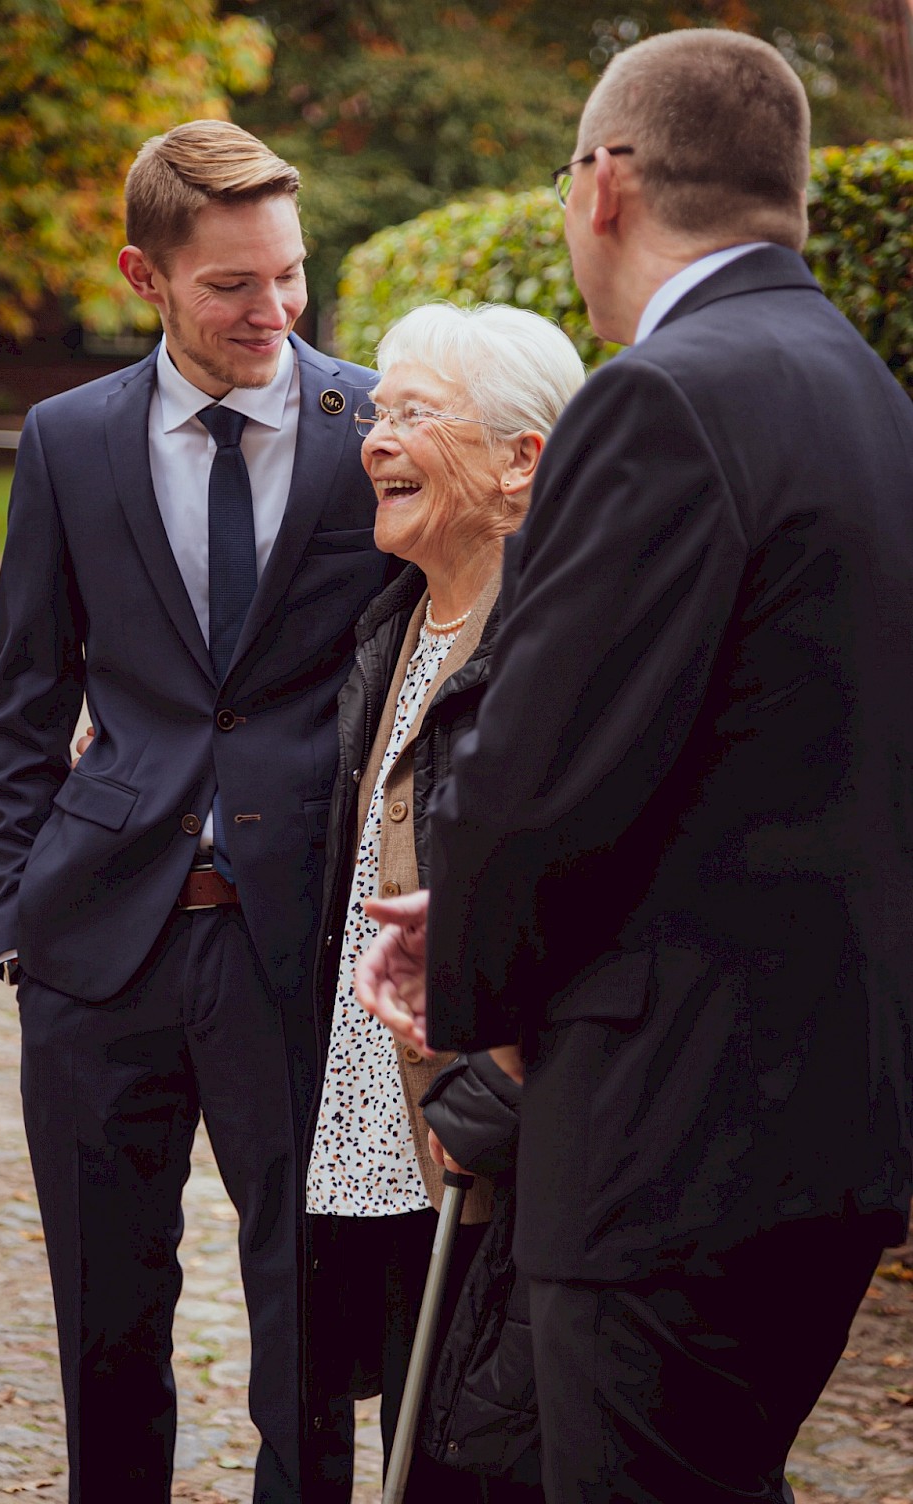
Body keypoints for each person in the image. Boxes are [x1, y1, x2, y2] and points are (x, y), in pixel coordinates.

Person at [356, 28, 913, 1504]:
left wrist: (468, 955)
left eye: (563, 183)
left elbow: (540, 769)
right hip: (832, 1125)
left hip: (666, 1143)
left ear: (605, 186)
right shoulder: (871, 398)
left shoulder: (659, 398)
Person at [0, 119, 391, 1504]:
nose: (272, 310)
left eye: (288, 274)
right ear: (142, 275)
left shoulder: (371, 424)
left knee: (309, 1335)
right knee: (104, 1320)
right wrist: (18, 923)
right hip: (99, 951)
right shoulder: (69, 441)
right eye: (230, 286)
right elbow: (26, 703)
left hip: (303, 953)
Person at [303, 302, 584, 1500]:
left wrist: (495, 1097)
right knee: (406, 1447)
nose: (375, 436)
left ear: (522, 463)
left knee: (481, 1457)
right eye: (379, 410)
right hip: (379, 1135)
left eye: (417, 413)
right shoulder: (394, 622)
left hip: (492, 1140)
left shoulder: (561, 646)